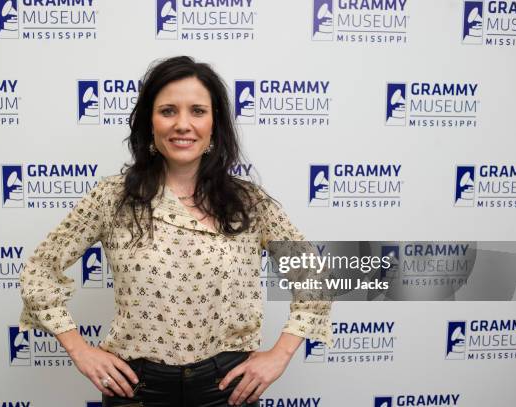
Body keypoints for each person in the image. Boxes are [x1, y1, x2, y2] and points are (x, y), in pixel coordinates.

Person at [18, 56, 333, 407]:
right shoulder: (112, 197)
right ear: (149, 123)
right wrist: (79, 349)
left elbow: (314, 276)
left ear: (215, 124)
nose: (183, 124)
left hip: (227, 390)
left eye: (197, 111)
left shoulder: (248, 202)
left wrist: (280, 354)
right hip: (136, 390)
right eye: (168, 111)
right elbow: (40, 270)